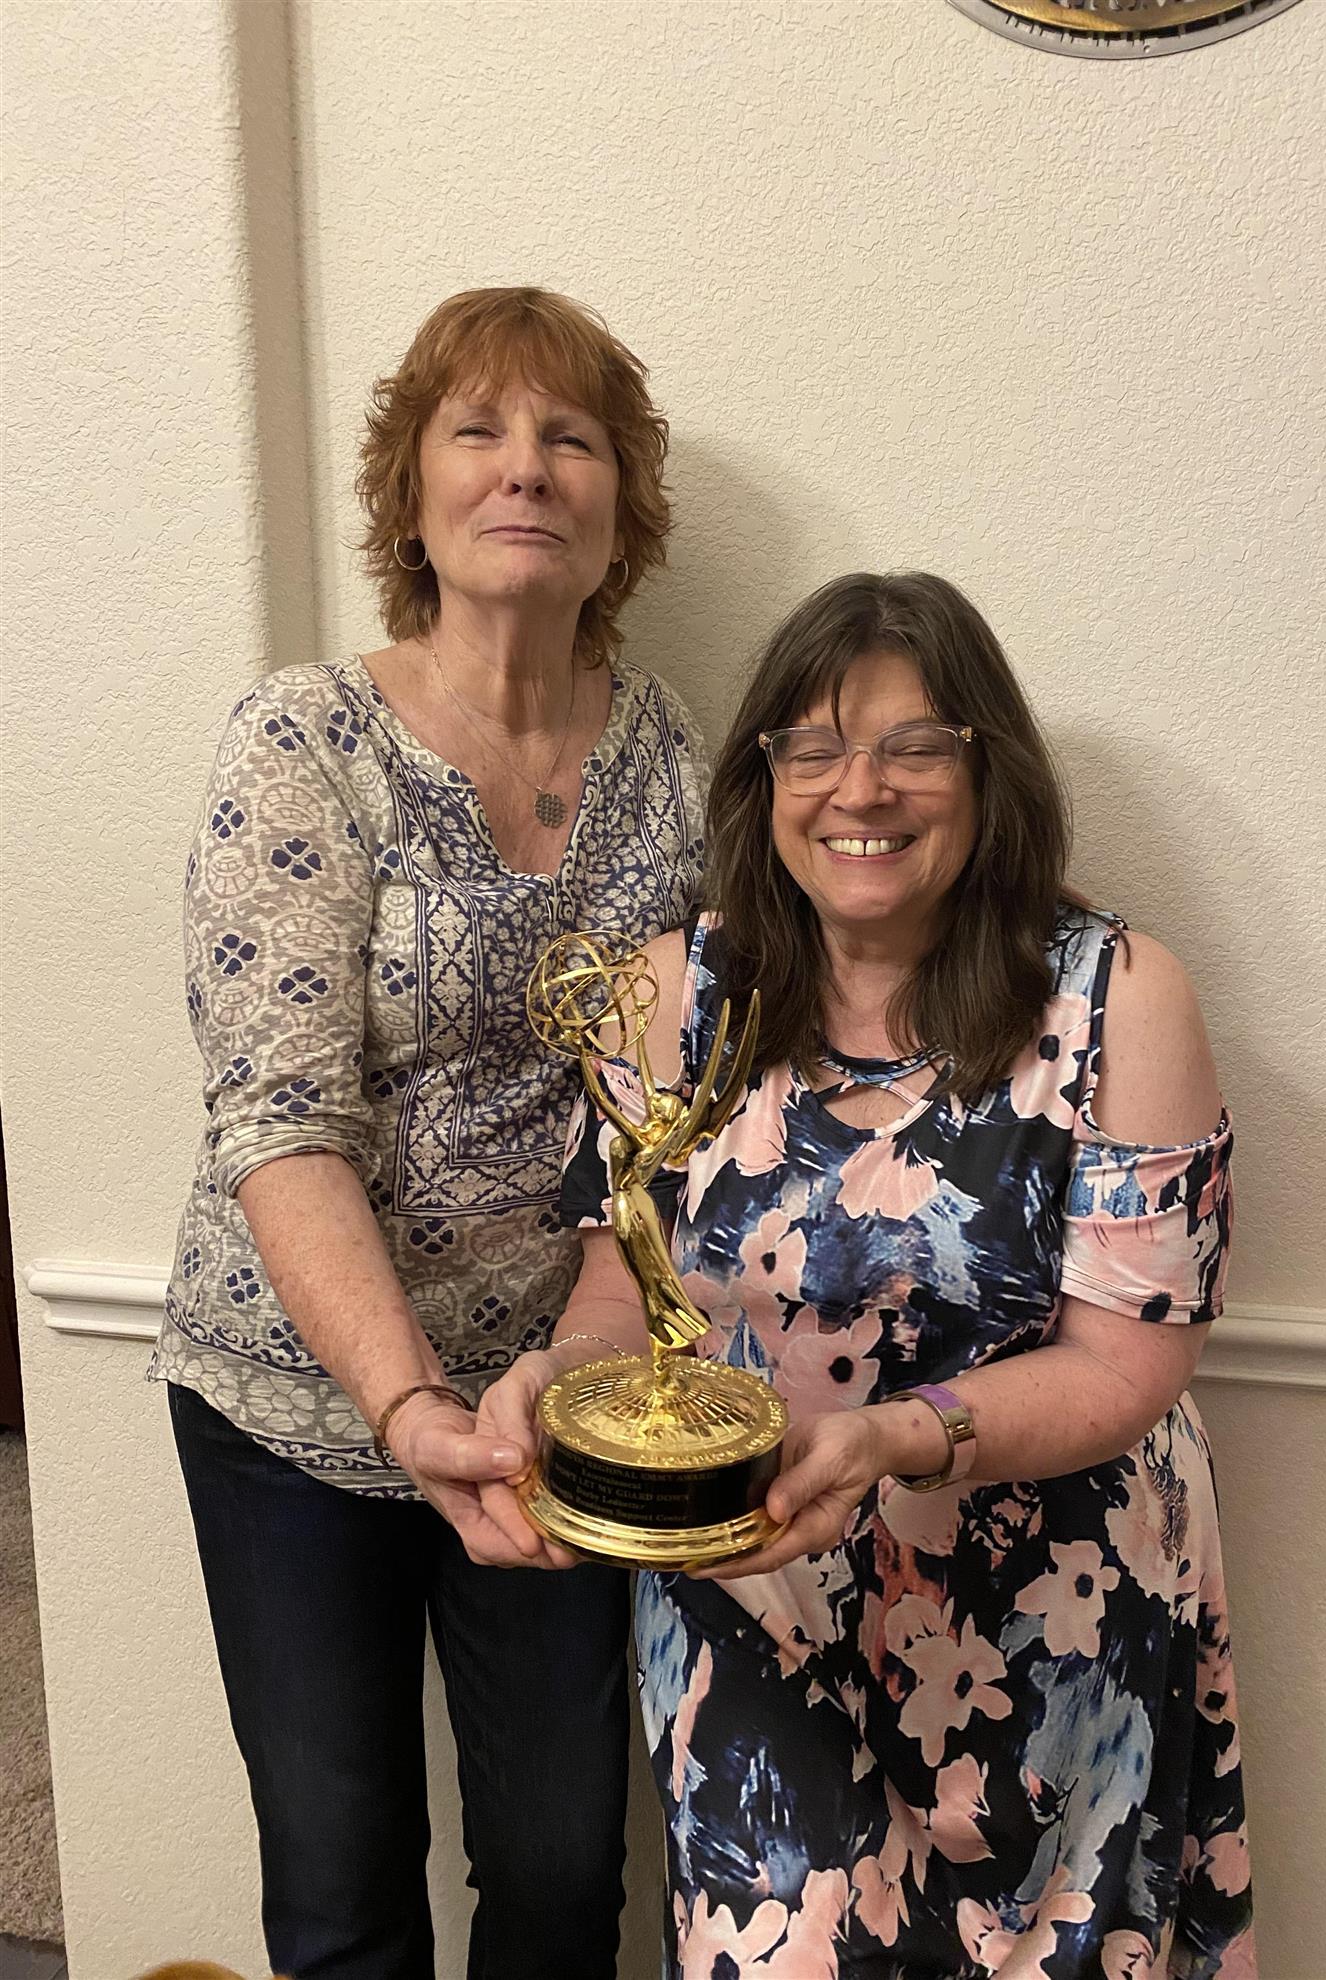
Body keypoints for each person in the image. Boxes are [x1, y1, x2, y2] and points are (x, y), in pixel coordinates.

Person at [478, 572, 1255, 1977]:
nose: (862, 789)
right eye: (816, 748)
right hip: (756, 1591)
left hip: (1053, 1613)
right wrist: (566, 1390)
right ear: (763, 779)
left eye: (915, 747)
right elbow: (620, 1291)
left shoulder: (1115, 998)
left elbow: (1127, 1363)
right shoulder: (674, 994)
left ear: (988, 774)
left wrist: (897, 1437)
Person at [151, 287, 709, 1980]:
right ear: (411, 494)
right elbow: (279, 1118)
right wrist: (408, 1408)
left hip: (553, 1401)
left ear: (619, 505)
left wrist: (577, 1366)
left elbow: (658, 1130)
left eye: (570, 437)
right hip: (293, 1400)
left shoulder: (672, 760)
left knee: (559, 1868)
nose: (524, 467)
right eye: (478, 430)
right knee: (341, 1882)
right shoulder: (303, 739)